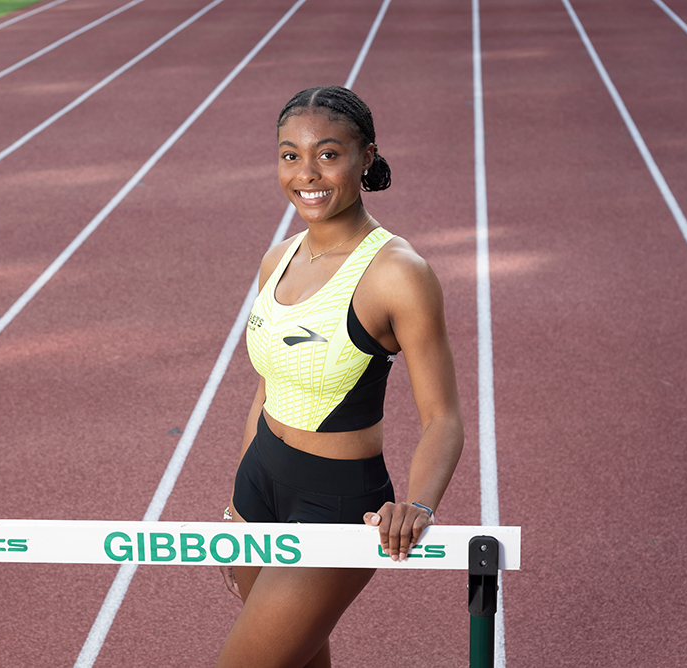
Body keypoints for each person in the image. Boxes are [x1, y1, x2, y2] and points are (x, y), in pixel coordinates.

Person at [217, 86, 464, 668]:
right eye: (289, 155)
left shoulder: (398, 273)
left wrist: (420, 507)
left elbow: (443, 419)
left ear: (367, 158)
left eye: (328, 154)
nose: (307, 173)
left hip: (334, 504)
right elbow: (267, 386)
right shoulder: (276, 258)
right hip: (259, 487)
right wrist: (240, 487)